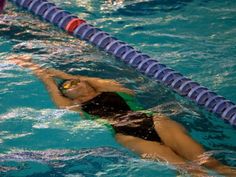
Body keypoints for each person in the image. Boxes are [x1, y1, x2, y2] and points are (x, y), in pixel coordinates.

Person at [8, 55, 236, 176]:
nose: (70, 84)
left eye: (75, 80)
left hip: (154, 121)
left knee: (212, 163)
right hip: (126, 135)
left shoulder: (112, 89)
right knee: (190, 170)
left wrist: (62, 73)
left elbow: (93, 81)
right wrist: (37, 70)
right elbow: (51, 87)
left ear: (85, 81)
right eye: (65, 86)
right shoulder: (76, 106)